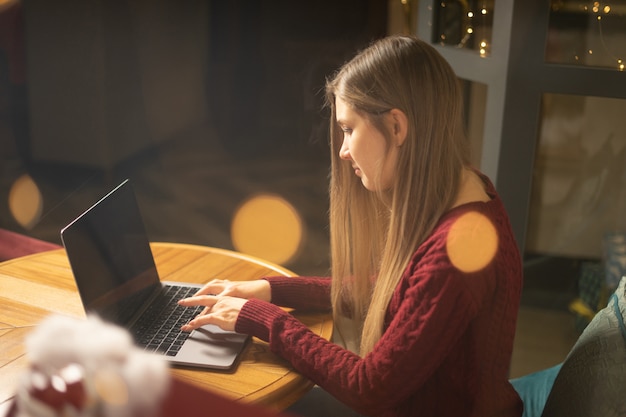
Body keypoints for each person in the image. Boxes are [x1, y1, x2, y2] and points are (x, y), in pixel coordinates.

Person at [179, 35, 524, 417]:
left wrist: (261, 319)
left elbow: (370, 387)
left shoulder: (456, 252)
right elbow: (403, 291)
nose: (343, 152)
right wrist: (271, 290)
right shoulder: (469, 189)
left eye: (348, 129)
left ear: (396, 127)